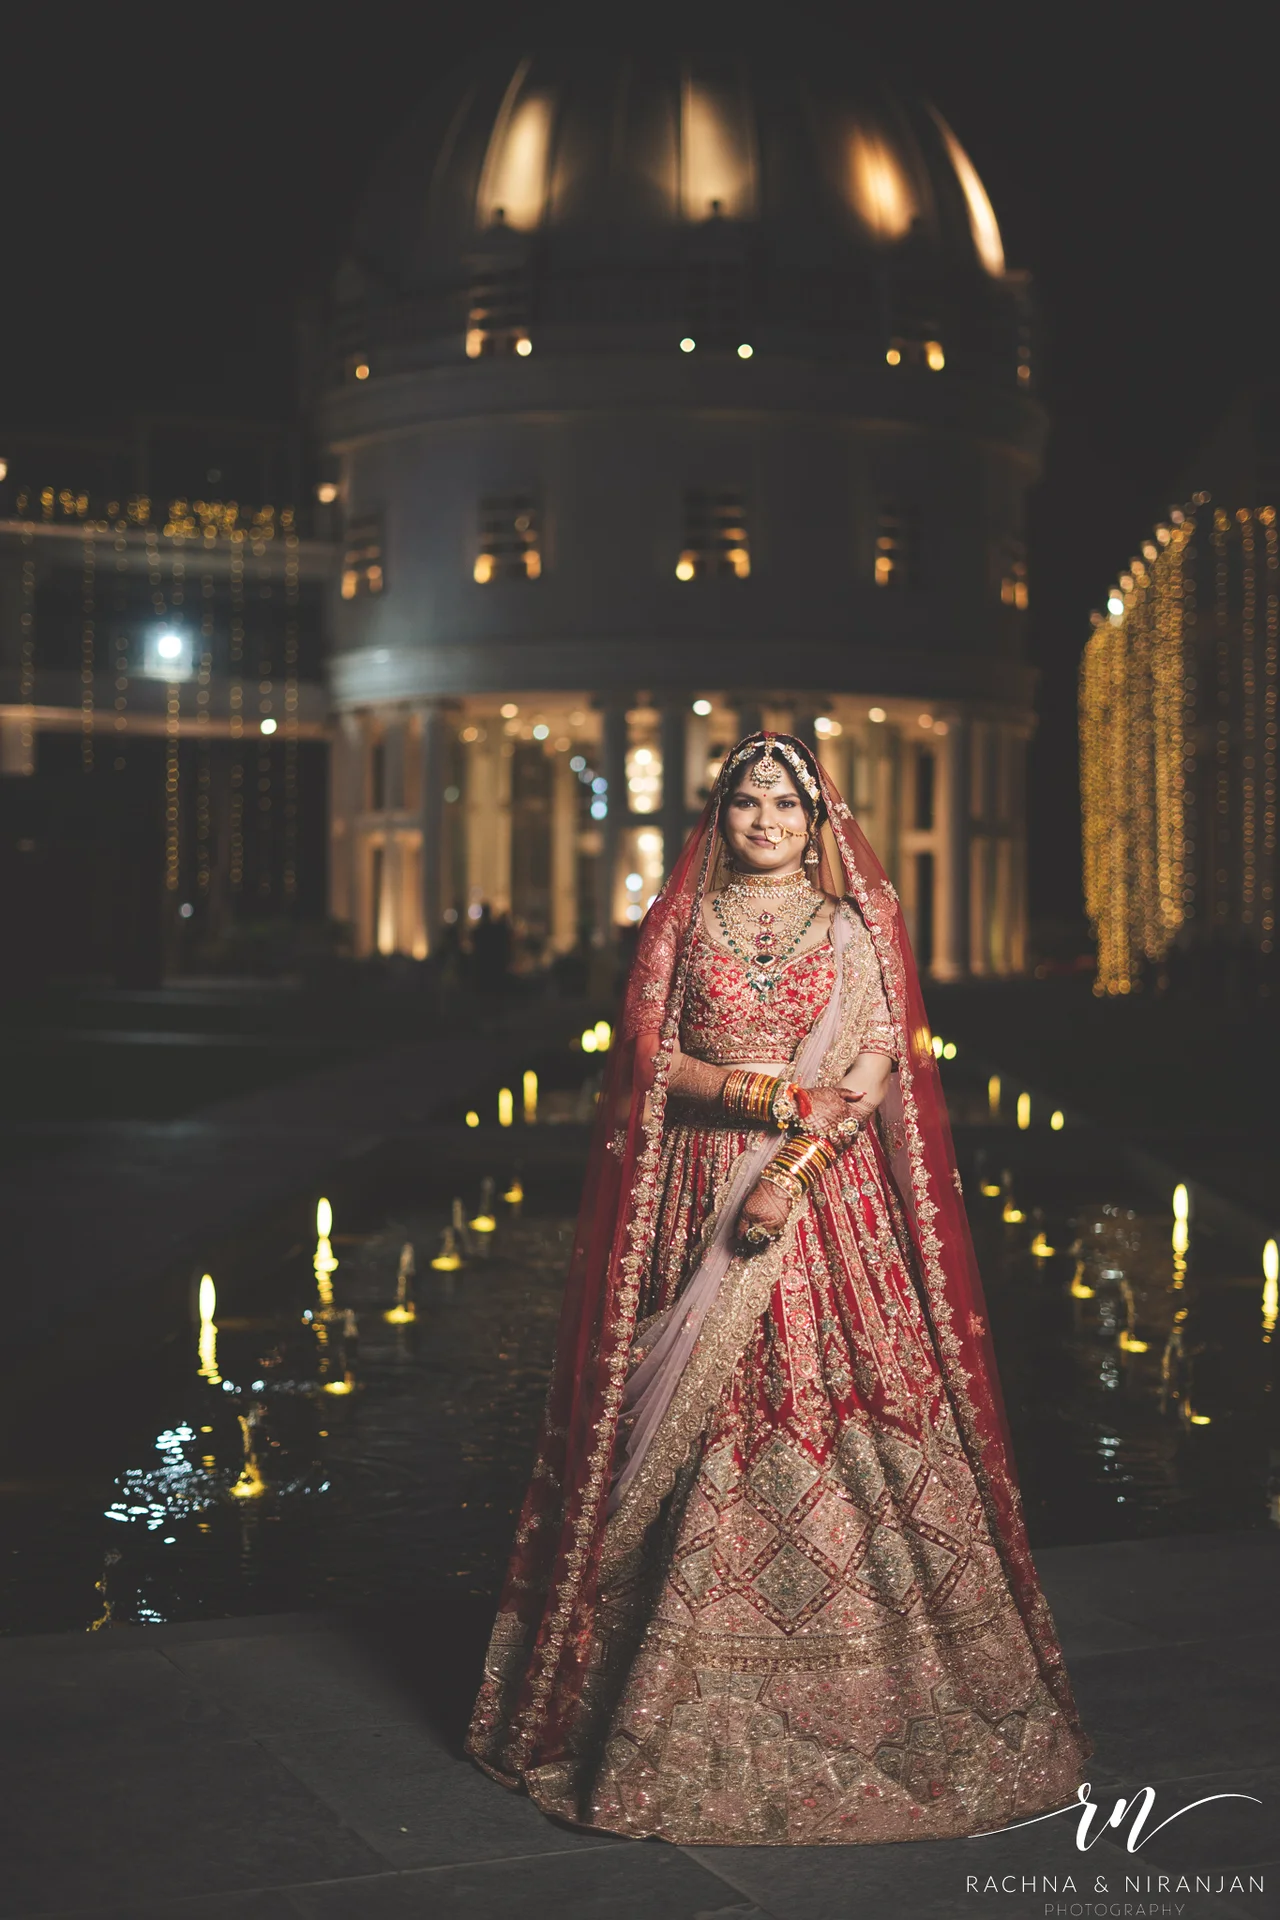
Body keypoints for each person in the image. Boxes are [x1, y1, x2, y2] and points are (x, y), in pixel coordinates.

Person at [467, 731, 1091, 1844]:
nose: (766, 821)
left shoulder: (851, 928)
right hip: (695, 1187)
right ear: (719, 817)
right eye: (747, 802)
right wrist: (767, 1101)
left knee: (838, 1399)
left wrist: (789, 1170)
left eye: (786, 805)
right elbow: (650, 1059)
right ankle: (641, 1693)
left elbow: (871, 1065)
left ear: (817, 822)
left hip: (820, 1201)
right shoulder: (681, 923)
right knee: (682, 1418)